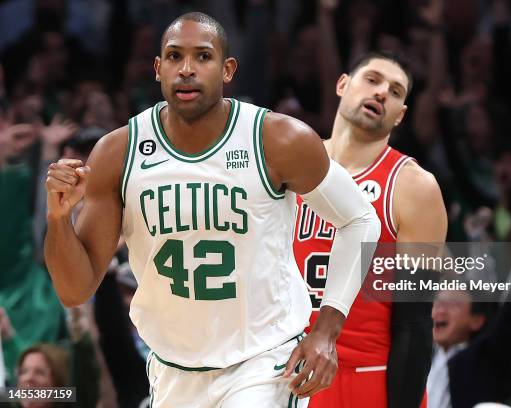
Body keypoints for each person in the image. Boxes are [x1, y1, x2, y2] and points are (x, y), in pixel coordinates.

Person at [44, 12, 380, 408]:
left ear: (227, 70)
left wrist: (326, 331)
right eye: (174, 57)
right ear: (157, 69)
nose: (186, 69)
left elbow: (360, 219)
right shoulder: (119, 152)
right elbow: (73, 290)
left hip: (263, 361)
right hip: (172, 367)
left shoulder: (278, 139)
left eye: (203, 57)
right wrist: (58, 218)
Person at [293, 51, 448, 408]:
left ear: (401, 116)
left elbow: (414, 324)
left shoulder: (414, 187)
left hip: (364, 379)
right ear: (342, 84)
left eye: (396, 92)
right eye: (373, 80)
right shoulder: (291, 163)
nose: (382, 93)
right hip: (283, 371)